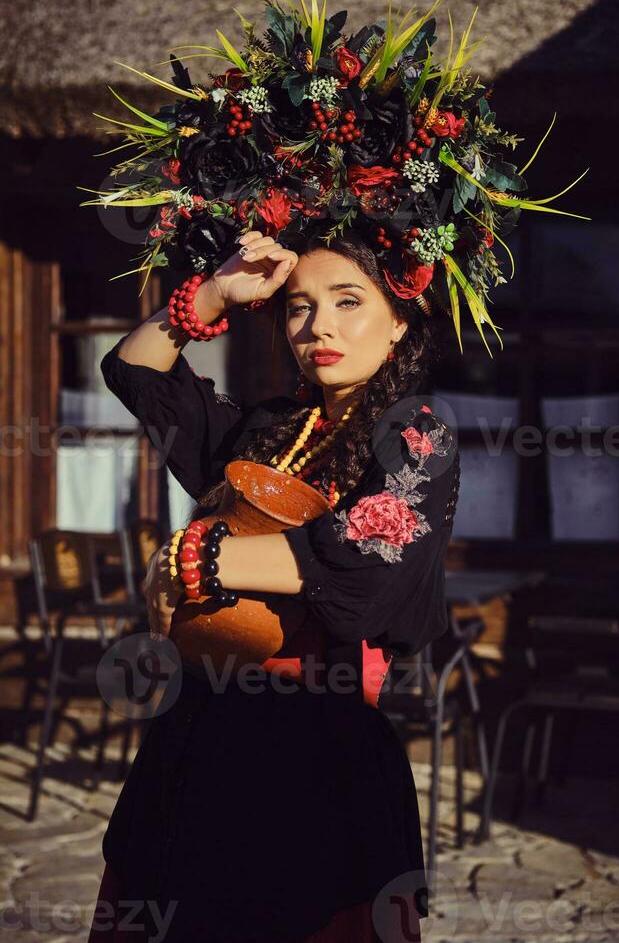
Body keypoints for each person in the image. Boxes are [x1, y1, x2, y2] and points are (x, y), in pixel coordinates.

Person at [87, 226, 460, 943]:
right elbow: (136, 372)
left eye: (348, 302)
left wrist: (196, 553)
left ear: (400, 321)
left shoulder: (417, 436)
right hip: (199, 733)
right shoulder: (271, 429)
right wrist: (219, 291)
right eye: (298, 306)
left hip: (316, 756)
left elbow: (361, 562)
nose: (318, 325)